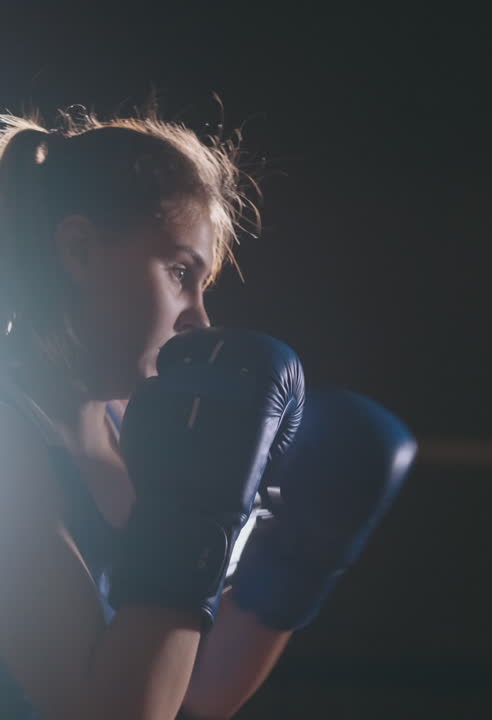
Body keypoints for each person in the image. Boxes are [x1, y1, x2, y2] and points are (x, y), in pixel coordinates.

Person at [0, 107, 414, 720]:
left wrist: (296, 563)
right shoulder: (12, 449)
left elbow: (201, 692)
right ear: (79, 249)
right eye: (179, 272)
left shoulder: (137, 431)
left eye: (203, 285)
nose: (199, 318)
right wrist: (192, 521)